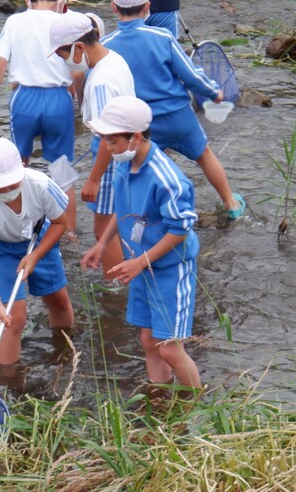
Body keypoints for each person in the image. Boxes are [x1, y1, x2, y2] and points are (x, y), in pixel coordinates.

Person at [81, 96, 202, 389]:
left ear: (135, 137)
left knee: (170, 347)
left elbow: (180, 230)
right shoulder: (126, 164)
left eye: (112, 141)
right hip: (142, 266)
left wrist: (141, 261)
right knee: (149, 340)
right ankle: (159, 398)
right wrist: (103, 243)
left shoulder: (167, 179)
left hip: (170, 268)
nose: (108, 148)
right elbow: (125, 212)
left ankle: (196, 403)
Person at [103, 0, 246, 220]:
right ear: (147, 7)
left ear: (114, 7)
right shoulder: (162, 36)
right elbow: (190, 75)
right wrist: (214, 92)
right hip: (177, 115)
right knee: (204, 154)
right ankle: (231, 204)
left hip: (141, 124)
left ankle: (146, 218)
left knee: (143, 169)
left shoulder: (107, 45)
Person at [0, 138, 74, 367]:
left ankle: (65, 353)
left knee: (59, 301)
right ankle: (9, 380)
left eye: (12, 183)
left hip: (40, 240)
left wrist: (35, 255)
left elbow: (60, 223)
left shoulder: (41, 185)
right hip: (3, 249)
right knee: (12, 319)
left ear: (23, 169)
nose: (7, 190)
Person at [0, 0, 79, 235]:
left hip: (24, 99)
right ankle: (70, 234)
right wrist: (80, 104)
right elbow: (76, 72)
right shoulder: (66, 22)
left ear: (27, 1)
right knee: (63, 171)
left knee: (17, 166)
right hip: (58, 99)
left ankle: (21, 228)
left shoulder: (15, 21)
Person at [49, 11, 135, 279]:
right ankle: (131, 272)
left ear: (78, 47)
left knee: (103, 232)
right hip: (127, 154)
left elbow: (106, 139)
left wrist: (93, 180)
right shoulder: (114, 60)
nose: (66, 63)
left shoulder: (100, 83)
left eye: (64, 56)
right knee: (120, 226)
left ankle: (117, 287)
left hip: (111, 162)